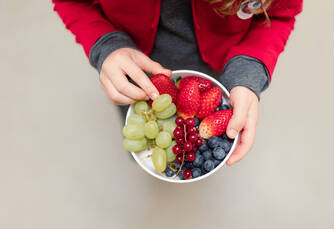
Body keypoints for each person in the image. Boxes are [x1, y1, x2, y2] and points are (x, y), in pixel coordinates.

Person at [52, 0, 303, 165]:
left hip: (216, 67)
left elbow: (280, 14)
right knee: (138, 117)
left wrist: (248, 71)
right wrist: (105, 44)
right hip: (135, 69)